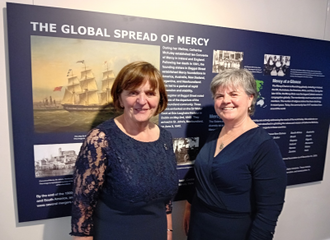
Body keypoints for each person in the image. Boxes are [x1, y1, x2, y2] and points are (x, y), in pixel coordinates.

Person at [70, 61, 178, 240]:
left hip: (156, 233)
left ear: (160, 98)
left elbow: (165, 202)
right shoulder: (100, 139)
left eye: (150, 93)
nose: (142, 101)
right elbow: (82, 206)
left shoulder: (165, 138)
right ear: (120, 97)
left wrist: (168, 233)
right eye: (133, 93)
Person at [183, 69, 286, 240]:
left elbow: (269, 210)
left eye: (233, 94)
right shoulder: (214, 135)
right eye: (219, 96)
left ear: (250, 98)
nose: (226, 101)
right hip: (199, 225)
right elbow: (203, 176)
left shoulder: (264, 146)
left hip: (233, 232)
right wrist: (189, 205)